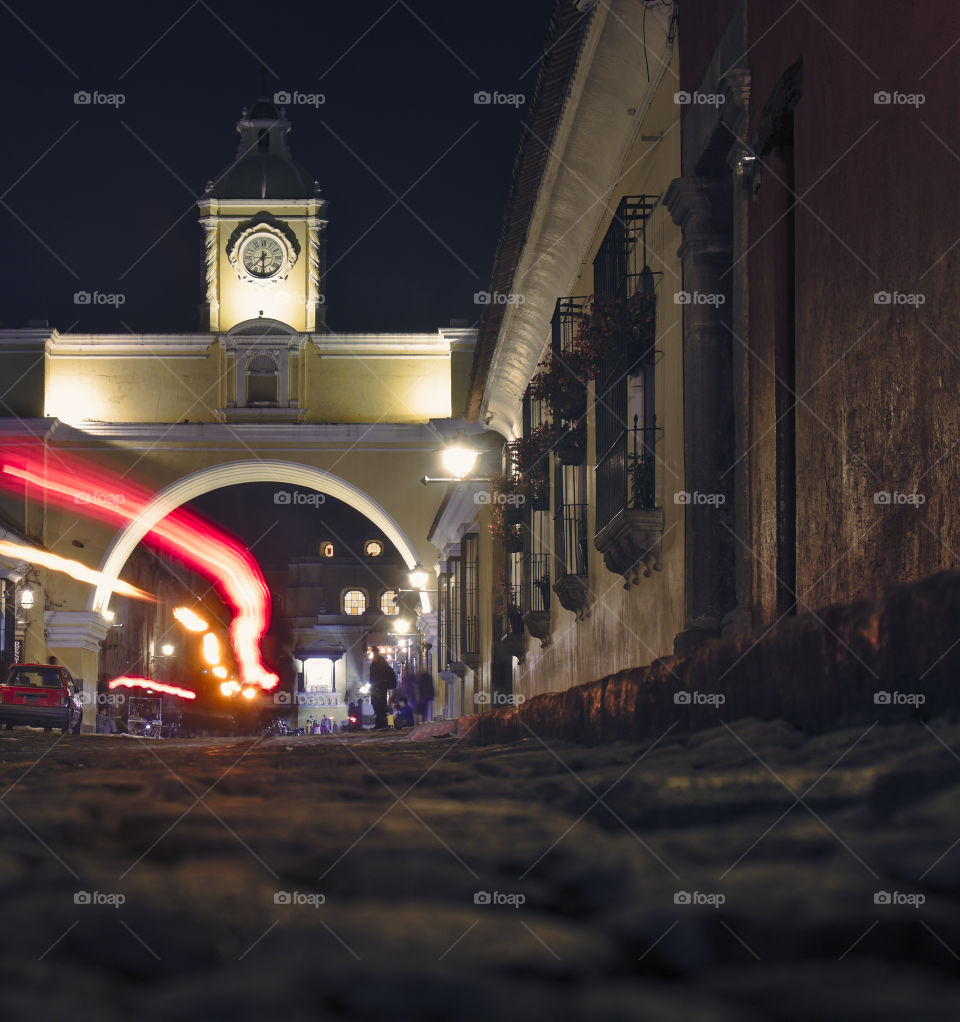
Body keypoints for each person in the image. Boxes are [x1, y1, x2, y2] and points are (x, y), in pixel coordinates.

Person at [368, 647, 396, 730]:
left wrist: (374, 683)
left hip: (378, 687)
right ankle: (381, 722)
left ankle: (381, 723)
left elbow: (374, 675)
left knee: (378, 705)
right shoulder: (380, 661)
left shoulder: (377, 661)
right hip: (380, 686)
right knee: (379, 705)